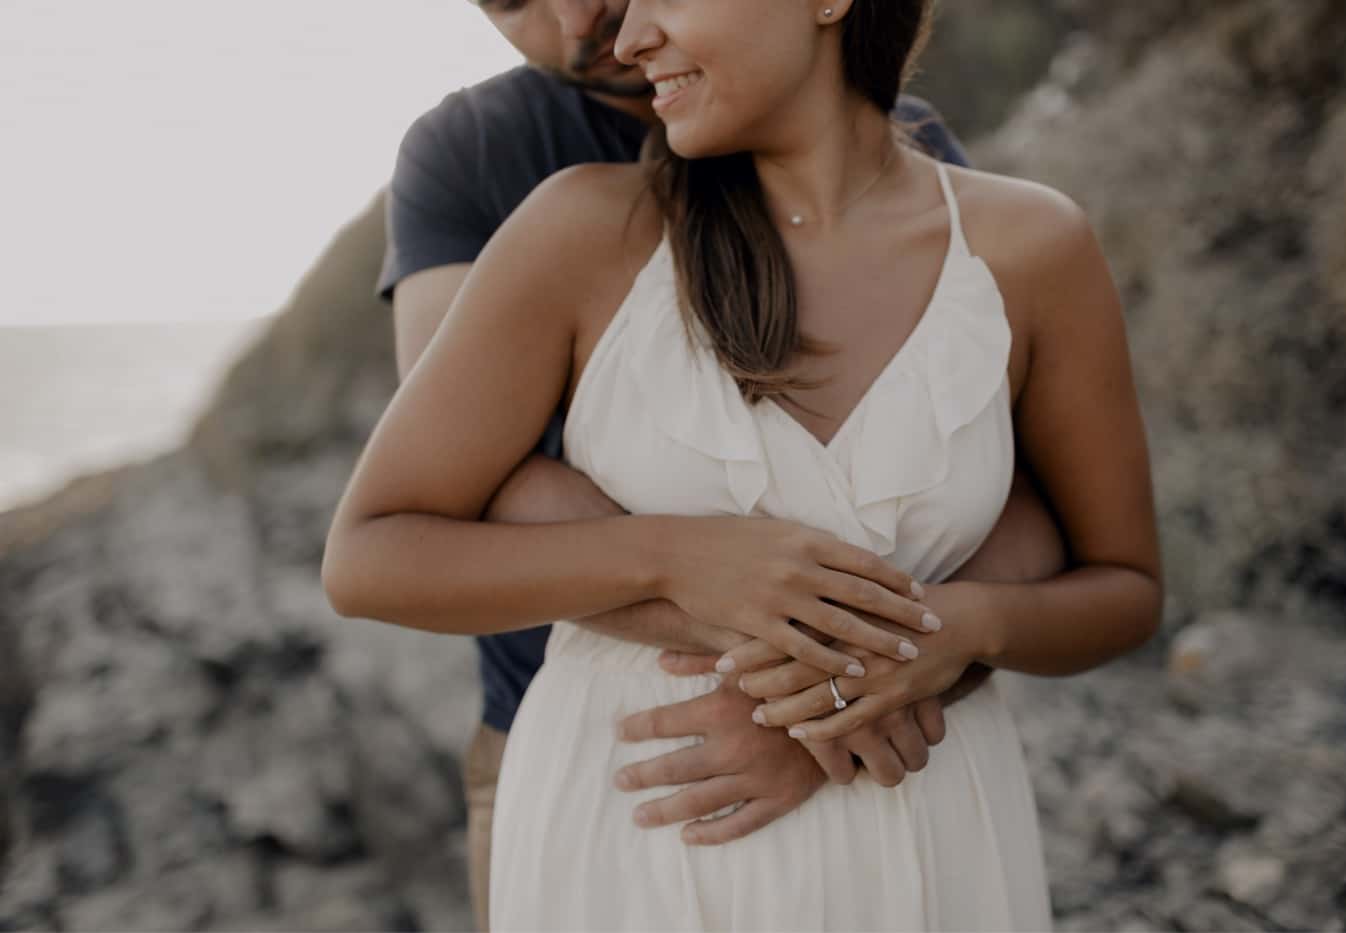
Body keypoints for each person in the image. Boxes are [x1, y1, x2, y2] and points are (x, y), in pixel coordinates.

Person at [333, 0, 1161, 928]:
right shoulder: (564, 217)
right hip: (637, 811)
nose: (617, 32)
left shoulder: (1026, 243)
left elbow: (1102, 569)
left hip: (917, 812)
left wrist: (941, 640)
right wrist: (679, 559)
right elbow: (396, 536)